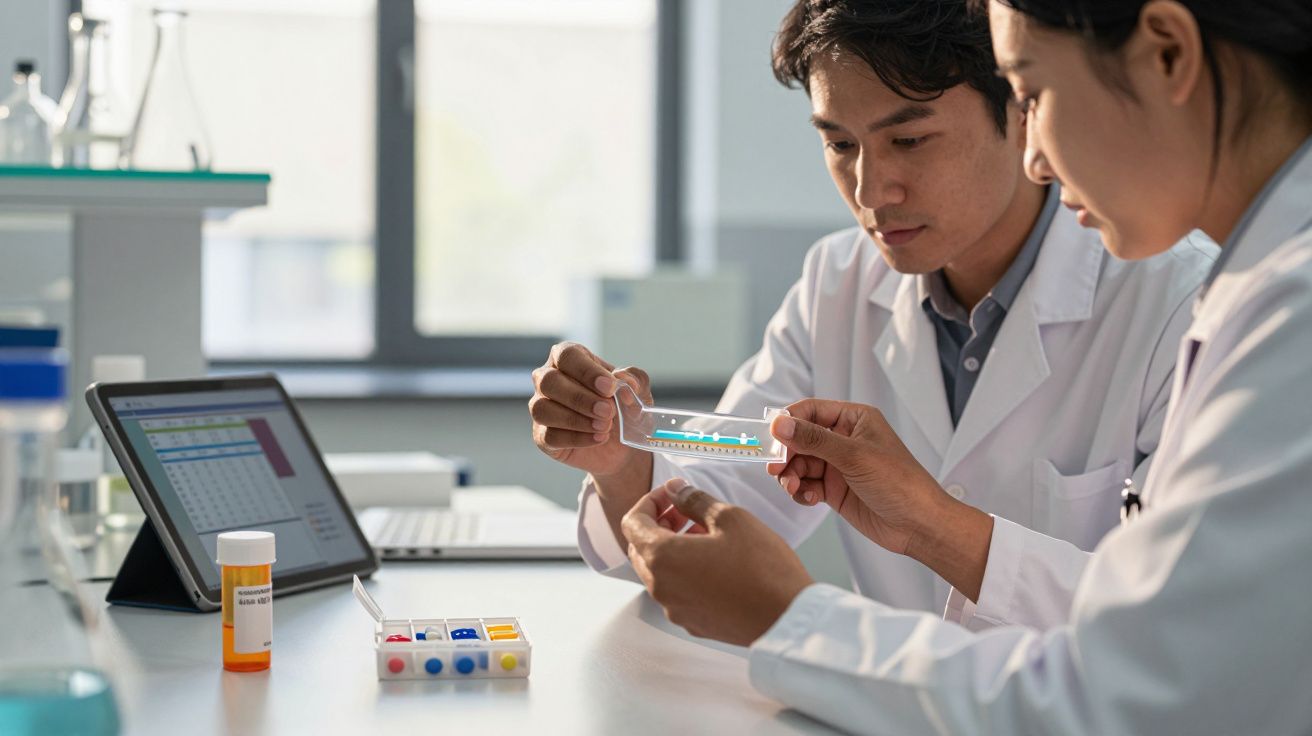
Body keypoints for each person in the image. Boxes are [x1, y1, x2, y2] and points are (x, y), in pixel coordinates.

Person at [621, 0, 1312, 732]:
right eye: (840, 145)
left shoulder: (1281, 311)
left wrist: (791, 620)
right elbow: (1162, 647)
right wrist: (621, 454)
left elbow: (1128, 697)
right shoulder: (1266, 289)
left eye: (1034, 95)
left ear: (1168, 53)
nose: (1037, 157)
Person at [529, 0, 1214, 616]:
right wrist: (622, 460)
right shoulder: (840, 280)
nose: (871, 189)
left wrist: (932, 523)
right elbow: (720, 506)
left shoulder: (1177, 300)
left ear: (1020, 109)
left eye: (909, 140)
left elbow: (1176, 625)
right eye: (839, 144)